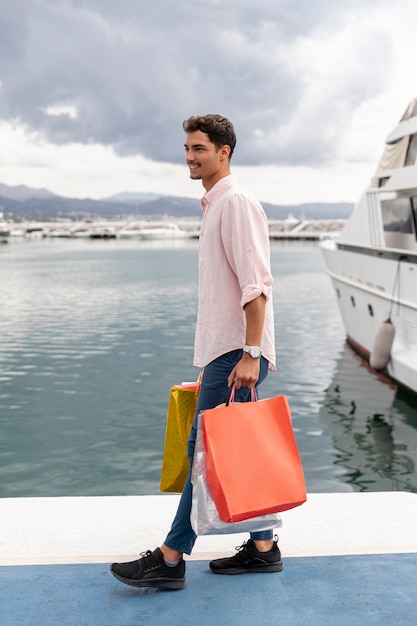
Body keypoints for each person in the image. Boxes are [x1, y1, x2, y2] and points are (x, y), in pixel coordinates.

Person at [110, 114, 282, 590]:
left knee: (203, 450)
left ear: (224, 151)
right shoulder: (215, 205)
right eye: (187, 148)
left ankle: (169, 558)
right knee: (233, 449)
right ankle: (264, 549)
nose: (189, 156)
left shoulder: (236, 203)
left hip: (237, 353)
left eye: (199, 148)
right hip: (224, 352)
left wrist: (249, 353)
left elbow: (256, 286)